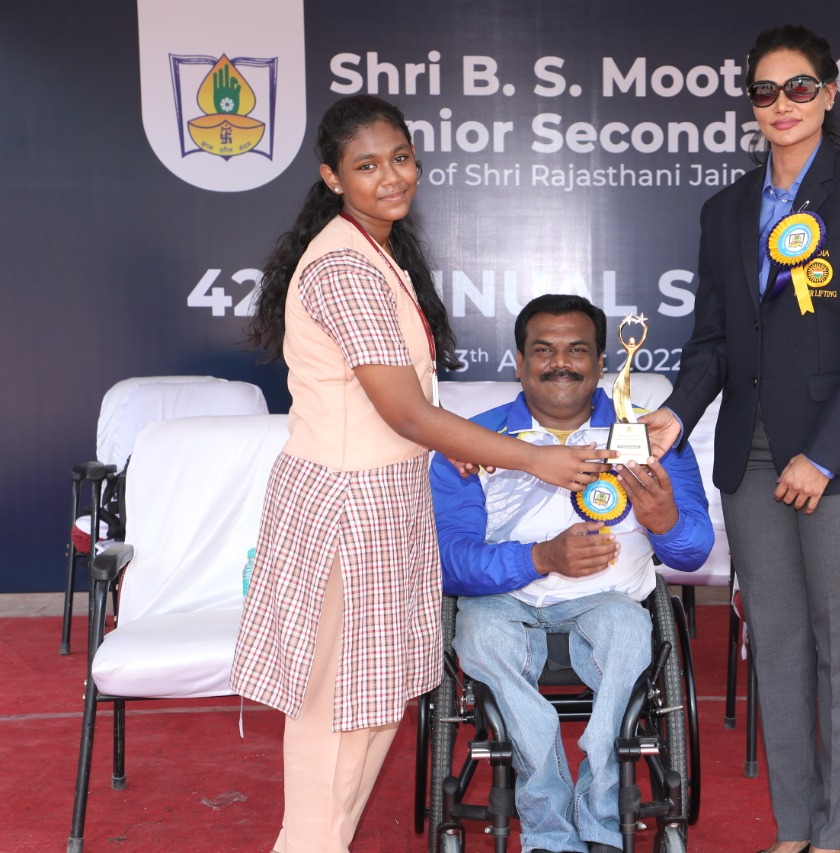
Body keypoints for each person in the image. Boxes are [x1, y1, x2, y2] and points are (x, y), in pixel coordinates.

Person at [230, 96, 613, 853]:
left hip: (385, 500)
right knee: (333, 712)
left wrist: (453, 442)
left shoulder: (380, 252)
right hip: (346, 508)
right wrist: (531, 456)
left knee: (371, 708)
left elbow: (407, 404)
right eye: (366, 165)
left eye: (400, 158)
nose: (390, 177)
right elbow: (404, 410)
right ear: (332, 177)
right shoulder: (345, 266)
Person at [641, 25, 840, 853]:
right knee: (777, 643)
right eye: (764, 91)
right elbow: (714, 340)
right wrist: (676, 412)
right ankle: (793, 828)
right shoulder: (725, 210)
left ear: (829, 95)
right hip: (751, 455)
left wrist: (822, 455)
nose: (781, 105)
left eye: (799, 88)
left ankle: (835, 835)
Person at [429, 294, 715, 853]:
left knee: (630, 630)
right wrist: (539, 558)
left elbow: (693, 553)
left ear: (602, 362)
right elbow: (449, 561)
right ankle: (549, 828)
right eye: (544, 350)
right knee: (479, 635)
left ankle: (602, 817)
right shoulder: (472, 441)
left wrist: (664, 520)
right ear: (518, 362)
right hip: (504, 603)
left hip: (609, 601)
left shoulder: (648, 436)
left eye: (577, 350)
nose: (561, 362)